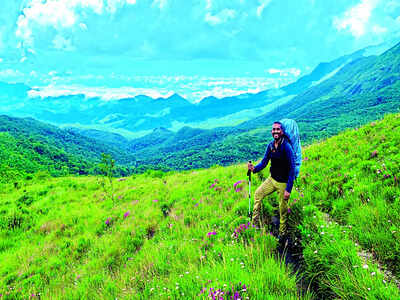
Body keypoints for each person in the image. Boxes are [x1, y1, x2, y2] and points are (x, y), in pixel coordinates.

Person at [247, 121, 295, 240]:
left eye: (278, 129)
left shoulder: (286, 147)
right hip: (271, 179)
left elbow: (292, 168)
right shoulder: (271, 146)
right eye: (274, 129)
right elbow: (264, 162)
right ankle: (255, 224)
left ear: (282, 132)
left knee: (282, 209)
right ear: (271, 132)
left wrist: (288, 189)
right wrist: (254, 169)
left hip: (283, 183)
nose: (275, 131)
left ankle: (282, 234)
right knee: (258, 194)